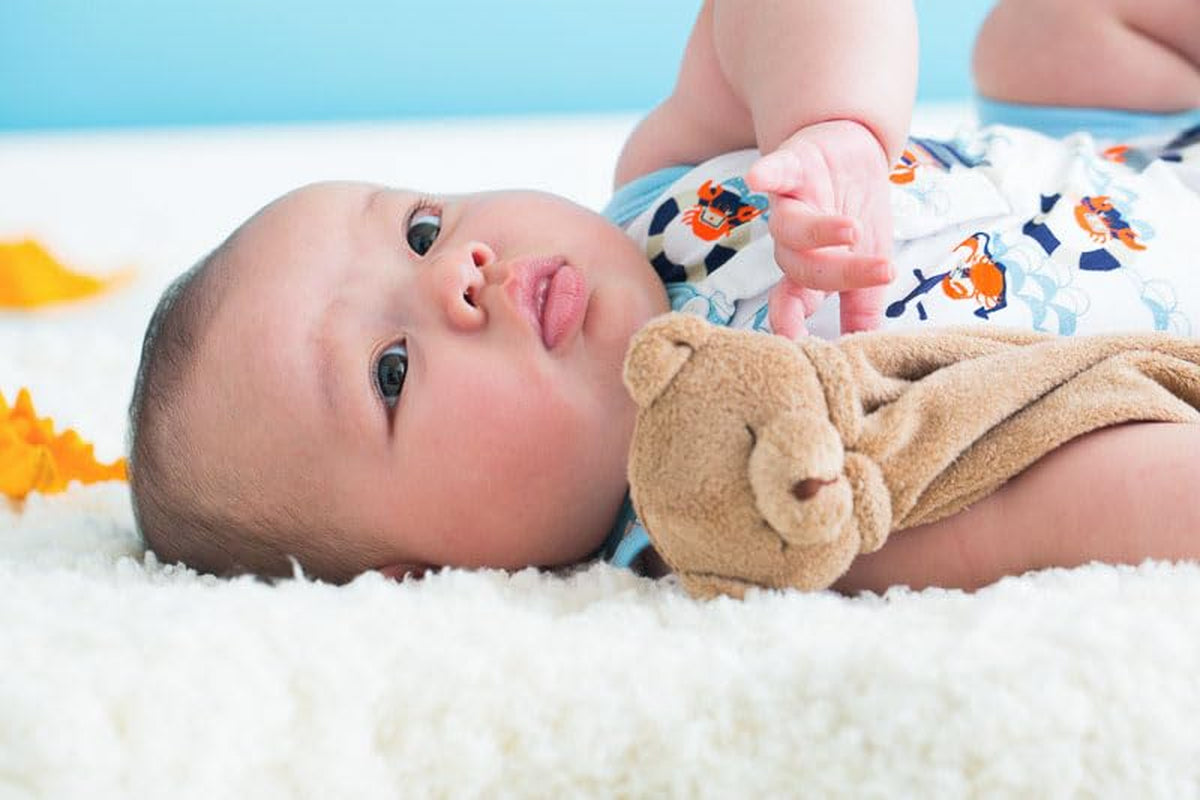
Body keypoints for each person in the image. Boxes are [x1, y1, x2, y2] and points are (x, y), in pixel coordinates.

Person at [127, 0, 1200, 595]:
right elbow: (1058, 501)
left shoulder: (657, 191)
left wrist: (830, 123)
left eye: (420, 229)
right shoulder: (753, 513)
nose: (458, 272)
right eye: (389, 371)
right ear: (421, 574)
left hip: (1143, 152)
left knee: (1044, 29)